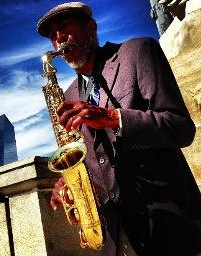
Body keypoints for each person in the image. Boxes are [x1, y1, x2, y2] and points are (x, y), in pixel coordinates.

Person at [37, 2, 201, 256]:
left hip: (170, 225)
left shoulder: (138, 52)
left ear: (90, 27)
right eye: (52, 35)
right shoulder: (67, 93)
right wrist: (68, 182)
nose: (58, 38)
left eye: (63, 27)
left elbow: (180, 128)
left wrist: (114, 117)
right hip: (116, 238)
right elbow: (87, 157)